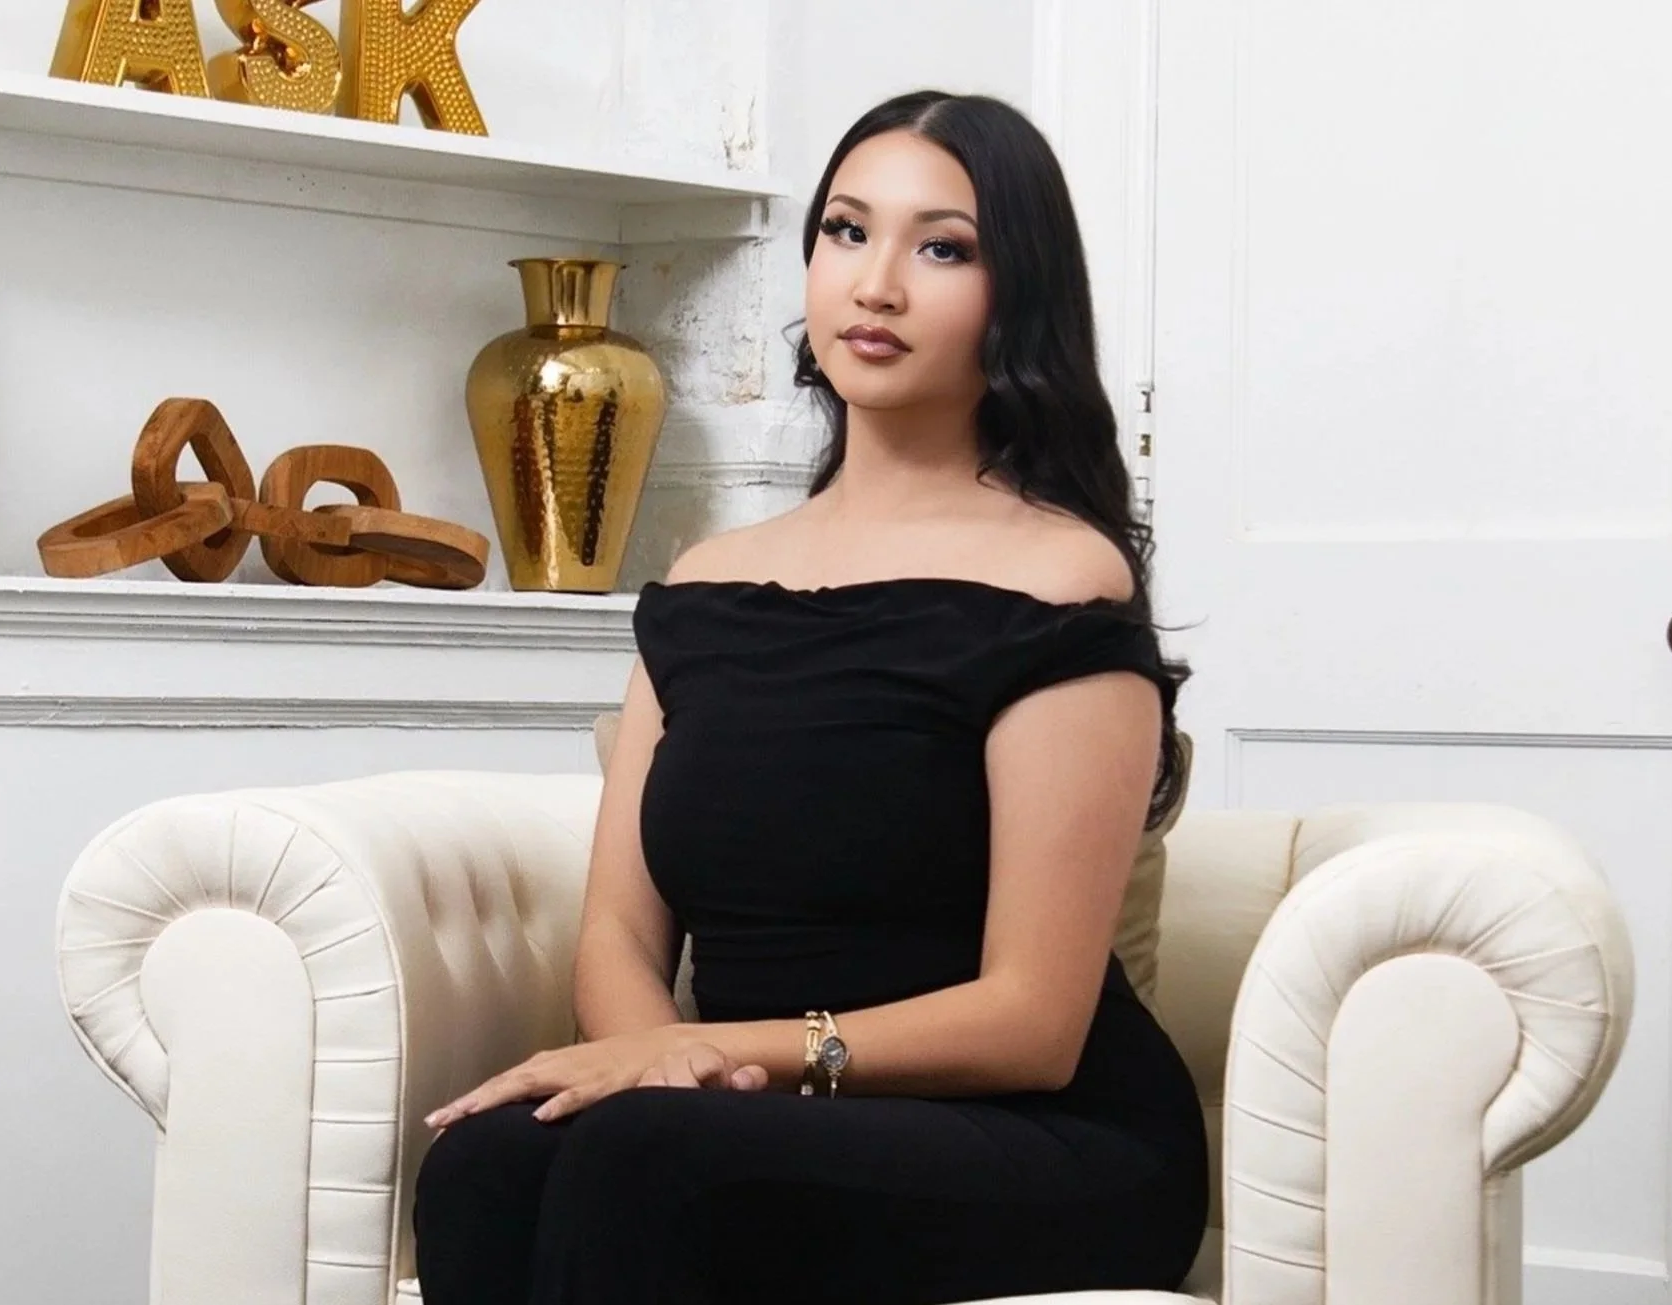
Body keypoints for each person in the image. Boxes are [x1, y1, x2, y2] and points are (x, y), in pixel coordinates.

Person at [411, 89, 1208, 1304]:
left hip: (1043, 1139)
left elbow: (1033, 1023)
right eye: (845, 231)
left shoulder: (1058, 580)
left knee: (642, 1158)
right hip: (740, 1118)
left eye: (941, 247)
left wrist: (714, 1055)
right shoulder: (705, 588)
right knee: (483, 1163)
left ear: (1018, 298)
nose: (875, 284)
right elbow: (620, 934)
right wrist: (652, 1056)